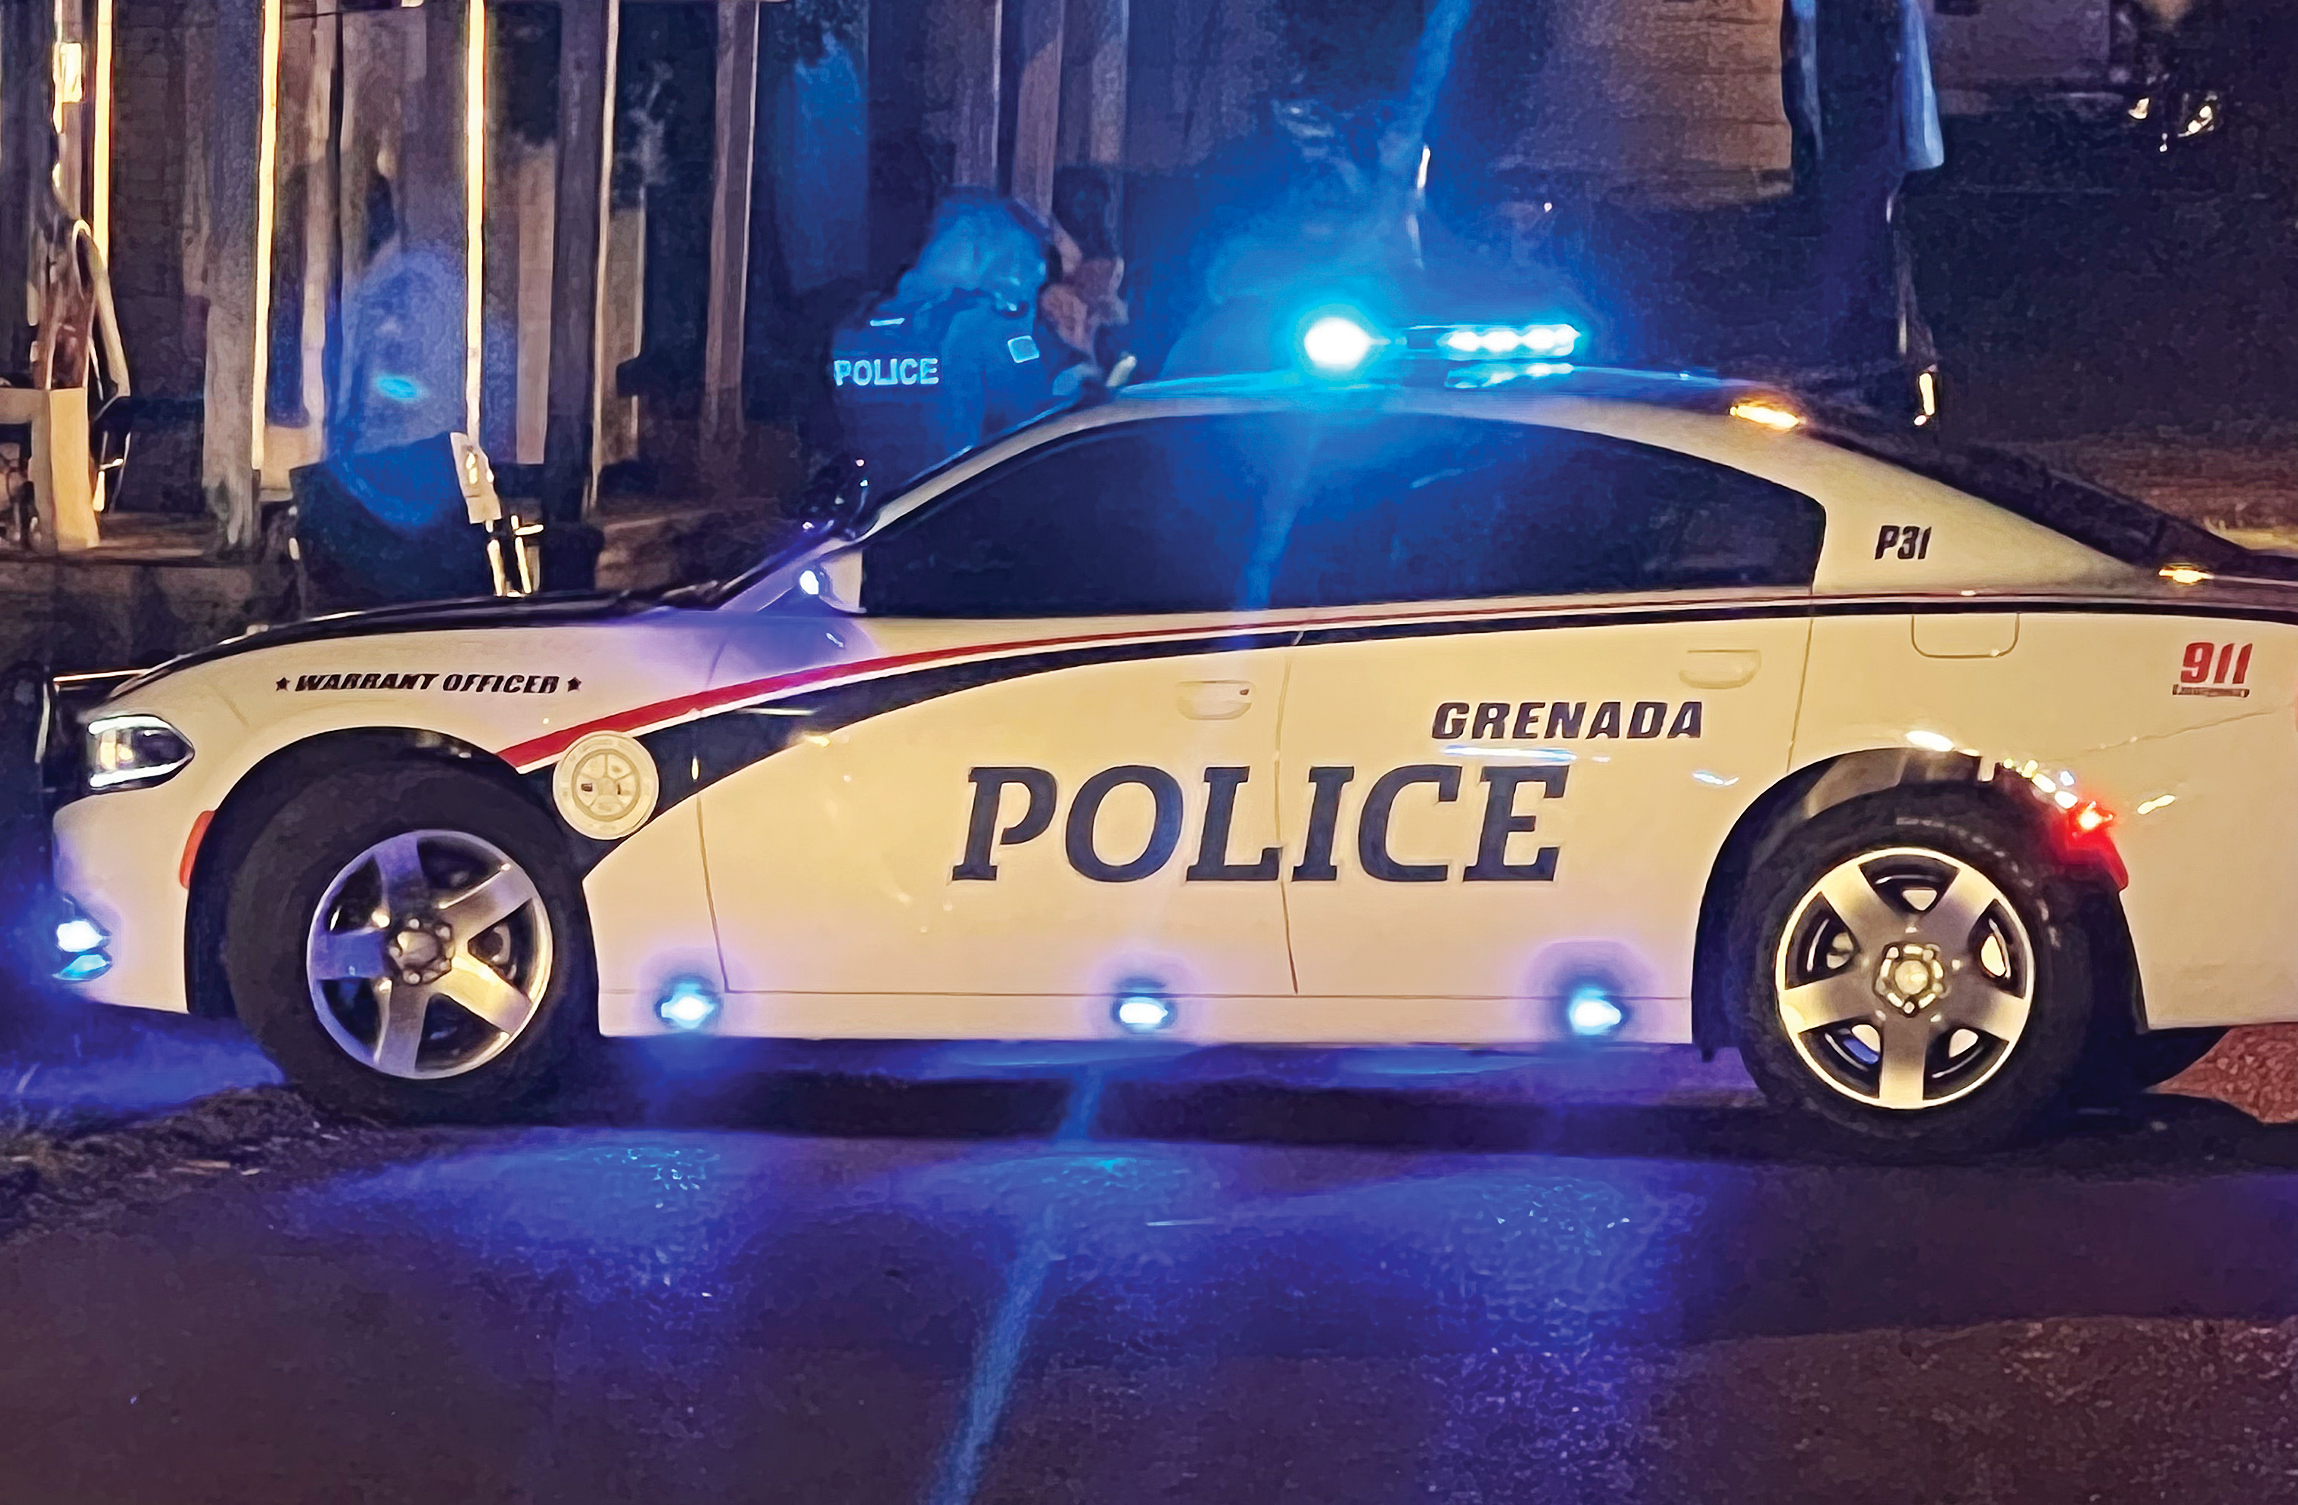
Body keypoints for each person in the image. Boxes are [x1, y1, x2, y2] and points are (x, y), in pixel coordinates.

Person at [826, 191, 1057, 489]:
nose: (1024, 287)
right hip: (961, 502)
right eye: (1026, 269)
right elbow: (1036, 426)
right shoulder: (986, 326)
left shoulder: (855, 327)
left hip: (874, 505)